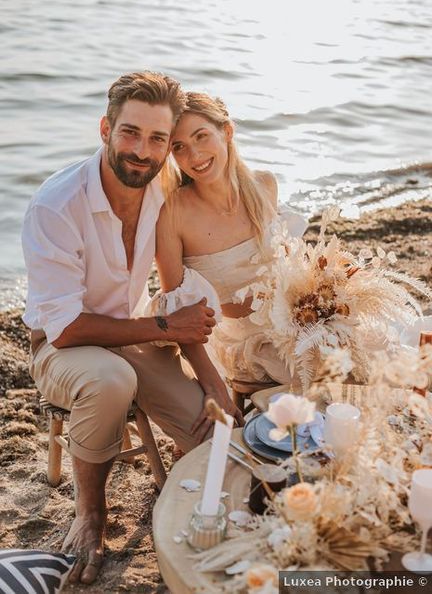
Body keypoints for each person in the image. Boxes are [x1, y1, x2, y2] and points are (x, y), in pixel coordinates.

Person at [21, 73, 241, 585]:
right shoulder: (57, 205)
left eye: (158, 139)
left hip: (135, 331)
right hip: (61, 345)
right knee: (109, 380)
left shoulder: (163, 187)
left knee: (211, 435)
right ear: (105, 128)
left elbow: (178, 286)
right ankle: (91, 513)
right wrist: (164, 324)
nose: (143, 151)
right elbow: (69, 327)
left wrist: (208, 376)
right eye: (131, 133)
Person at [151, 92, 308, 406]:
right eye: (178, 147)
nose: (194, 156)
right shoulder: (172, 215)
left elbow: (290, 265)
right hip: (240, 342)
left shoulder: (264, 185)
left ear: (227, 131)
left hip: (294, 323)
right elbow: (179, 312)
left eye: (201, 136)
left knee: (359, 357)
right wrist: (210, 383)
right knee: (319, 381)